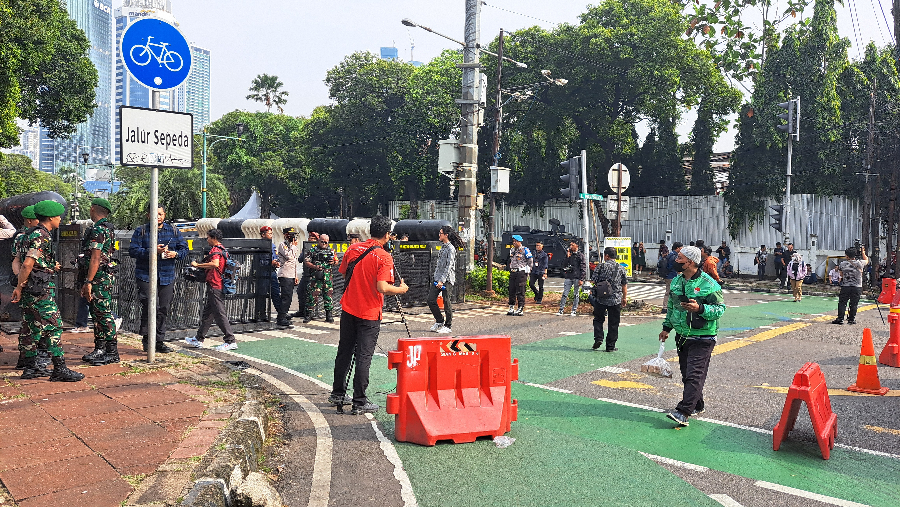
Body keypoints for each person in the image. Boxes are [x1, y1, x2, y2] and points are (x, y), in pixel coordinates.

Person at [330, 215, 409, 415]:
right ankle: (359, 400)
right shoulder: (384, 257)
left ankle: (337, 393)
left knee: (344, 352)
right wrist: (400, 289)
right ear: (387, 235)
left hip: (348, 308)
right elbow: (382, 287)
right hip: (369, 313)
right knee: (364, 356)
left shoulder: (353, 249)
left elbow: (343, 273)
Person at [12, 200, 84, 382]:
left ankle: (30, 368)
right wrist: (20, 286)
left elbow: (19, 262)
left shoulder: (25, 235)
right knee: (54, 325)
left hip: (30, 288)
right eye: (59, 217)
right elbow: (28, 263)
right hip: (39, 290)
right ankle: (60, 368)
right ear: (51, 218)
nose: (60, 220)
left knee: (30, 327)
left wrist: (20, 286)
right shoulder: (41, 235)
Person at [658, 246, 726, 426]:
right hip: (682, 336)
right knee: (688, 375)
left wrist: (700, 308)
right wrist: (667, 327)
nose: (676, 260)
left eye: (679, 258)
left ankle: (683, 411)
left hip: (702, 337)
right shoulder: (676, 281)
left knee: (695, 374)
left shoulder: (709, 284)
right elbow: (672, 307)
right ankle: (698, 404)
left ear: (690, 262)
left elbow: (720, 309)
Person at [129, 205, 188, 353]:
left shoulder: (173, 231)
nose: (159, 217)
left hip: (167, 275)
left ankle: (159, 341)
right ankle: (147, 339)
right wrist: (152, 251)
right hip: (145, 275)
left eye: (161, 214)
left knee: (163, 308)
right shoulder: (141, 231)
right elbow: (133, 251)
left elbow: (184, 249)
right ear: (149, 215)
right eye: (155, 214)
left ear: (164, 214)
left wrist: (175, 254)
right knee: (149, 305)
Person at [78, 198, 121, 365]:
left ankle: (112, 352)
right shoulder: (102, 229)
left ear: (93, 209)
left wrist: (88, 281)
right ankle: (100, 348)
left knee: (103, 314)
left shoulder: (98, 231)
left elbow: (95, 258)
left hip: (99, 278)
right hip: (100, 276)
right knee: (96, 313)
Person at [185, 228, 237, 350]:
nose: (207, 240)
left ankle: (230, 340)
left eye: (208, 237)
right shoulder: (223, 250)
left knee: (219, 314)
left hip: (215, 285)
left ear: (213, 238)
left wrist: (197, 265)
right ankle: (199, 338)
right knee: (208, 314)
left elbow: (215, 264)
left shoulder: (215, 250)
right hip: (217, 285)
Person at [11, 205, 42, 369]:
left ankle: (25, 359)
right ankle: (36, 360)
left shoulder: (19, 237)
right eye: (38, 219)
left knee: (27, 323)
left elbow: (16, 261)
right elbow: (25, 263)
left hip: (24, 283)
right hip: (33, 285)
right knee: (40, 322)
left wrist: (19, 281)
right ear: (30, 220)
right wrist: (22, 280)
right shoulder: (34, 237)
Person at [590, 247, 628, 351]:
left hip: (601, 298)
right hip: (615, 299)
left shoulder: (601, 266)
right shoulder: (621, 268)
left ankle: (598, 338)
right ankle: (610, 346)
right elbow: (624, 285)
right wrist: (624, 298)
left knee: (598, 319)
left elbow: (593, 281)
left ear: (607, 256)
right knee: (614, 323)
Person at [428, 226, 464, 334]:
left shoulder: (451, 248)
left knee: (446, 301)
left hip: (446, 280)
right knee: (430, 300)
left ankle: (448, 325)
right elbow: (439, 265)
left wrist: (442, 280)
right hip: (438, 278)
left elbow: (449, 266)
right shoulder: (443, 247)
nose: (439, 235)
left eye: (440, 233)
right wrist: (436, 278)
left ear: (446, 235)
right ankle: (439, 320)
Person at [304, 233, 339, 323]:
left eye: (326, 242)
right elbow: (306, 261)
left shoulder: (331, 251)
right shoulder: (313, 250)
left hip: (327, 278)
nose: (324, 244)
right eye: (322, 241)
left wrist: (333, 262)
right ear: (319, 241)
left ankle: (329, 315)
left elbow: (336, 261)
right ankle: (308, 315)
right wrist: (315, 266)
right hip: (316, 278)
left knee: (328, 297)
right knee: (312, 297)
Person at [832, 246, 868, 325]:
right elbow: (866, 260)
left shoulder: (842, 264)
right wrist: (863, 252)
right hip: (857, 286)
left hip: (846, 286)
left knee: (842, 302)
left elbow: (841, 274)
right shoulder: (860, 263)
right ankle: (851, 319)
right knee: (854, 303)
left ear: (847, 256)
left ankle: (840, 318)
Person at [253, 226, 280, 322]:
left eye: (271, 233)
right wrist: (270, 263)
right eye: (269, 233)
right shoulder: (259, 246)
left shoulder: (272, 245)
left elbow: (276, 257)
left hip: (272, 271)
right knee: (262, 294)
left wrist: (276, 263)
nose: (271, 235)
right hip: (263, 272)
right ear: (263, 235)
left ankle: (281, 314)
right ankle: (261, 314)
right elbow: (258, 262)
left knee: (276, 293)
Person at [275, 228, 301, 328]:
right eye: (290, 235)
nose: (293, 237)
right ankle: (281, 318)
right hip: (285, 274)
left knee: (289, 297)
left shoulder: (291, 246)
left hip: (291, 275)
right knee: (286, 297)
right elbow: (289, 256)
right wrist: (294, 246)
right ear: (286, 235)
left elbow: (294, 263)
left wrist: (295, 276)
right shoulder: (283, 245)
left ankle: (284, 314)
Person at [293, 231, 319, 320]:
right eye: (310, 238)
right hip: (306, 275)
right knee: (300, 292)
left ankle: (311, 313)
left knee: (312, 295)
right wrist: (304, 251)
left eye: (313, 239)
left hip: (314, 275)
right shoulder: (306, 248)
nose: (311, 240)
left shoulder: (318, 249)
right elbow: (300, 260)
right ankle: (301, 311)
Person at [557, 240, 585, 316]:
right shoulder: (569, 255)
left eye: (572, 245)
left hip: (576, 277)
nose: (571, 246)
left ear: (577, 246)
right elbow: (563, 265)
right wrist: (567, 256)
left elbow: (583, 267)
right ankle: (561, 309)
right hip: (569, 276)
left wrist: (581, 279)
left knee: (576, 294)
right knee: (565, 293)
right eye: (570, 245)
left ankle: (574, 310)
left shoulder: (580, 255)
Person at [507, 235, 533, 316]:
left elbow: (530, 261)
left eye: (515, 241)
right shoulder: (512, 250)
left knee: (520, 290)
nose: (514, 243)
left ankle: (520, 308)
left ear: (520, 242)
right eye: (513, 241)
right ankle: (511, 307)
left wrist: (527, 270)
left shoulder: (525, 250)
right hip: (513, 272)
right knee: (511, 290)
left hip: (521, 272)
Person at [660, 242, 684, 313]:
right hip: (673, 276)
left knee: (668, 292)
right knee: (675, 292)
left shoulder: (669, 255)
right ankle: (670, 307)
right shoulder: (675, 256)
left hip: (667, 276)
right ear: (677, 248)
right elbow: (677, 268)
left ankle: (665, 307)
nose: (682, 250)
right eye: (681, 248)